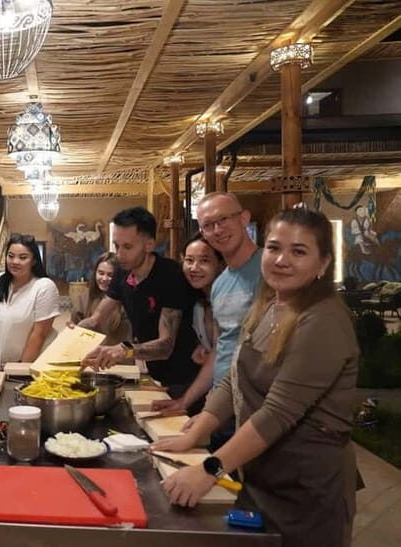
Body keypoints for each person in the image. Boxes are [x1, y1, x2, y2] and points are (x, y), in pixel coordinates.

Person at [154, 207, 359, 547]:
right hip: (262, 473)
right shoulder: (269, 303)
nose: (281, 260)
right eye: (274, 248)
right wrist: (199, 429)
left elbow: (277, 412)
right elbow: (236, 375)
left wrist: (209, 469)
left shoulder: (322, 320)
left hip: (306, 488)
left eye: (298, 252)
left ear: (323, 263)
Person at [162, 192, 262, 446]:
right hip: (224, 403)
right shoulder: (220, 284)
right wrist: (187, 403)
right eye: (208, 225)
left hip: (261, 406)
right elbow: (221, 349)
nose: (217, 230)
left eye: (223, 220)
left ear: (244, 218)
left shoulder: (268, 269)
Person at [79, 207, 200, 406]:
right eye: (116, 246)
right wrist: (73, 335)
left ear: (149, 245)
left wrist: (124, 350)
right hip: (155, 374)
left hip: (185, 377)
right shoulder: (122, 271)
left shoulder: (170, 275)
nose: (119, 254)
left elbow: (166, 346)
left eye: (127, 247)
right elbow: (96, 319)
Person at [152, 233, 225, 416]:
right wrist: (202, 346)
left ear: (221, 263)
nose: (194, 268)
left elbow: (220, 354)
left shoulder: (226, 301)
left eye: (204, 261)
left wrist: (183, 402)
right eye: (189, 260)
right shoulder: (198, 302)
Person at [0, 233, 60, 372]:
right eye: (10, 256)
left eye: (23, 257)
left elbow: (39, 334)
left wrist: (20, 369)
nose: (15, 261)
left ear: (34, 261)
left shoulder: (43, 287)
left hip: (28, 366)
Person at [68, 252, 130, 345]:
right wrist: (71, 329)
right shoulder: (83, 298)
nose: (104, 278)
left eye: (110, 275)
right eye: (101, 273)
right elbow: (74, 327)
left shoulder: (126, 301)